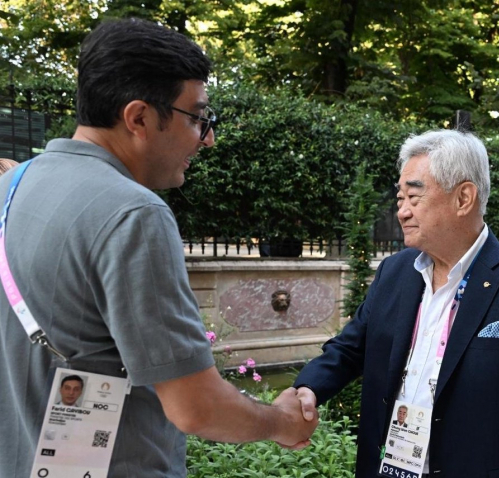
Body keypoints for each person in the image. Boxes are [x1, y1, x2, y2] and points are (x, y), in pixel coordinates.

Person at [0, 18, 316, 478]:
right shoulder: (133, 214)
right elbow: (196, 407)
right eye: (198, 118)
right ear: (139, 117)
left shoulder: (11, 187)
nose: (207, 138)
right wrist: (281, 422)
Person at [293, 129, 499, 477]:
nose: (402, 213)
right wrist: (308, 387)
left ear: (463, 198)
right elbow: (351, 348)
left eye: (414, 197)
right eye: (400, 200)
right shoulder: (394, 272)